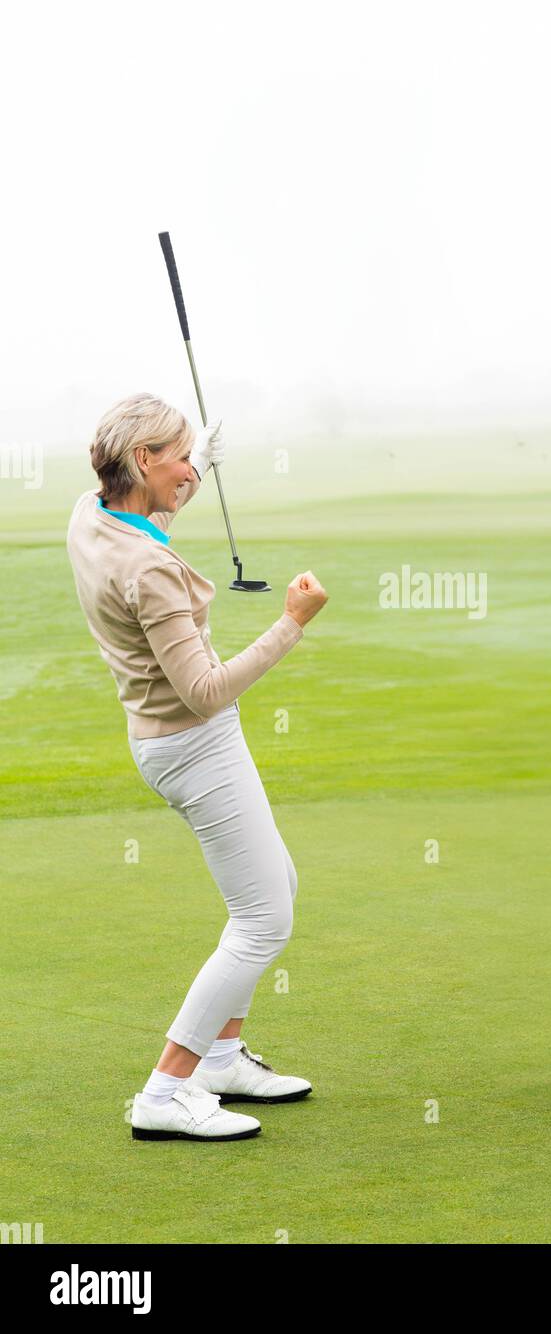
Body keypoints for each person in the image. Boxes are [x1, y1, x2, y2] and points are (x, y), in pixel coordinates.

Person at [66, 393, 328, 1142]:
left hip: (173, 740)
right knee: (262, 919)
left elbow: (147, 516)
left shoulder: (90, 511)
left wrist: (196, 468)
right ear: (142, 459)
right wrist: (291, 625)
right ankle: (165, 1091)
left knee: (278, 885)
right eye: (176, 456)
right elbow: (206, 691)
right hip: (195, 742)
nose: (187, 468)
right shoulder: (150, 572)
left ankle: (219, 1056)